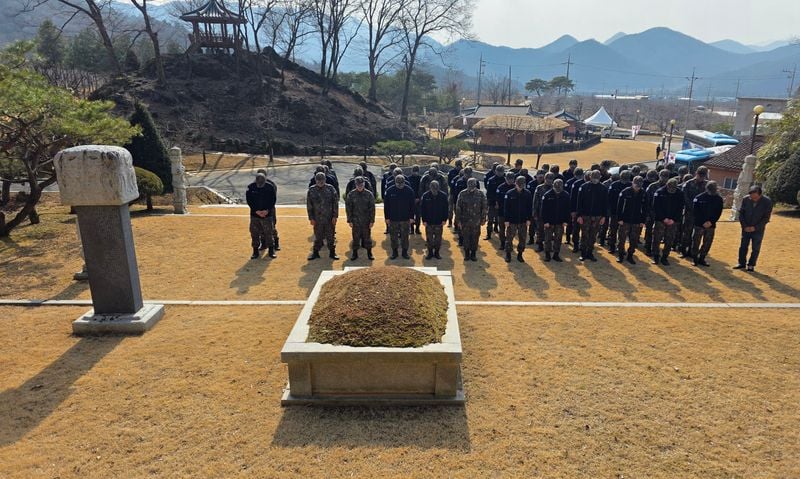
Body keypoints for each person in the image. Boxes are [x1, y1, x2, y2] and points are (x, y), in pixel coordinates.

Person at [735, 185, 773, 272]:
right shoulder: (746, 199)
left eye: (755, 198)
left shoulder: (767, 202)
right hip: (746, 228)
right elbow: (741, 214)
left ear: (760, 195)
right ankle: (741, 263)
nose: (753, 199)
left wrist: (755, 228)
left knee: (755, 248)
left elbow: (766, 218)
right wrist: (744, 226)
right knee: (743, 246)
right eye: (751, 197)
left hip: (758, 229)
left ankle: (751, 264)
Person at [576, 170, 608, 262]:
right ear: (590, 177)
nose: (595, 180)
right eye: (593, 178)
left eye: (597, 178)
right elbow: (579, 202)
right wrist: (579, 215)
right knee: (584, 235)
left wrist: (603, 216)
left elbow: (605, 204)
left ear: (600, 178)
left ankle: (590, 253)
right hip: (585, 216)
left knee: (593, 236)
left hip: (597, 216)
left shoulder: (603, 188)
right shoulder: (583, 187)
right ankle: (583, 253)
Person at [306, 172, 339, 260]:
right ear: (316, 181)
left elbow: (335, 203)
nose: (320, 182)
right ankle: (315, 253)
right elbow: (309, 205)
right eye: (319, 181)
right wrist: (311, 218)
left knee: (330, 236)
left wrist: (335, 216)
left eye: (322, 180)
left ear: (325, 180)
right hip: (317, 218)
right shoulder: (311, 190)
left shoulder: (331, 189)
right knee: (318, 236)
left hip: (329, 218)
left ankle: (332, 253)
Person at [651, 178, 683, 265]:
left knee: (669, 239)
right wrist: (663, 218)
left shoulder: (680, 193)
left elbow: (680, 208)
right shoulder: (659, 192)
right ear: (667, 185)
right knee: (657, 239)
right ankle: (656, 256)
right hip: (660, 220)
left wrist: (673, 219)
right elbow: (656, 207)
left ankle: (665, 257)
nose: (671, 191)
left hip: (673, 221)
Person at [691, 181, 723, 267]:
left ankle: (702, 258)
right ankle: (694, 258)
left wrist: (711, 222)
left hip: (711, 225)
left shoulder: (719, 199)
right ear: (707, 189)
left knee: (707, 242)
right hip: (699, 224)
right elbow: (695, 212)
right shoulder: (699, 198)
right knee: (696, 242)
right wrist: (702, 222)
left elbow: (718, 212)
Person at [245, 172, 277, 260]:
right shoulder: (251, 188)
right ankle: (255, 251)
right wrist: (256, 211)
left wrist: (267, 210)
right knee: (254, 233)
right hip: (255, 215)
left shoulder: (270, 187)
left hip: (267, 214)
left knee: (269, 232)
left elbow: (273, 200)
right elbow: (249, 201)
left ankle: (271, 250)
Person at [384, 174, 416, 259]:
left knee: (405, 236)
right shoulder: (390, 191)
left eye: (401, 184)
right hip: (393, 218)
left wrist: (412, 217)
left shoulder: (409, 191)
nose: (400, 186)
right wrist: (387, 217)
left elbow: (412, 205)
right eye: (398, 184)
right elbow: (386, 206)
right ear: (395, 183)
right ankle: (395, 252)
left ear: (404, 182)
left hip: (405, 218)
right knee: (393, 236)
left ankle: (404, 252)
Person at [616, 176, 647, 264]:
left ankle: (630, 255)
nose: (637, 187)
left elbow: (645, 208)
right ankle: (620, 254)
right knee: (622, 239)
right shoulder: (625, 192)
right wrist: (619, 219)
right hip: (625, 220)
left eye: (639, 186)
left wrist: (642, 221)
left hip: (636, 221)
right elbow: (619, 206)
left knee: (634, 240)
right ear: (632, 183)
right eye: (636, 185)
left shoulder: (643, 193)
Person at [679, 166, 709, 258]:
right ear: (696, 173)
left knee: (697, 234)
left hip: (701, 214)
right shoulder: (688, 184)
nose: (701, 178)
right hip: (689, 212)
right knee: (687, 233)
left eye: (703, 176)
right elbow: (684, 198)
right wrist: (693, 208)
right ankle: (684, 251)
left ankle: (693, 252)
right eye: (700, 175)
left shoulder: (707, 185)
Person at [502, 176, 533, 263]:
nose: (520, 187)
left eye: (522, 185)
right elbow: (506, 208)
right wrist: (506, 220)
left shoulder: (527, 194)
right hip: (512, 220)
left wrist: (529, 219)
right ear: (515, 183)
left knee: (522, 238)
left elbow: (529, 207)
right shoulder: (509, 193)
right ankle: (508, 254)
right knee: (509, 238)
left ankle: (520, 254)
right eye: (519, 185)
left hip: (523, 220)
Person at [456, 178, 487, 261]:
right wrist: (458, 220)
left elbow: (484, 207)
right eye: (470, 186)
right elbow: (458, 208)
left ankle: (473, 254)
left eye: (472, 186)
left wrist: (483, 219)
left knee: (475, 237)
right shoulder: (462, 194)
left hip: (476, 221)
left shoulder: (480, 194)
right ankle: (466, 254)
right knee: (465, 237)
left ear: (475, 185)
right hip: (465, 220)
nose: (471, 188)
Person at [540, 178, 571, 262]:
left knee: (558, 239)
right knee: (547, 239)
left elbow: (568, 210)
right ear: (553, 186)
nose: (557, 190)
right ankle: (547, 254)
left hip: (560, 222)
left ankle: (556, 255)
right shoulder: (547, 195)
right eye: (556, 188)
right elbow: (543, 210)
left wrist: (566, 221)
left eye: (559, 189)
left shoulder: (566, 195)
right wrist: (545, 221)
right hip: (549, 222)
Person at [345, 177, 375, 261]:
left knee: (367, 237)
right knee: (355, 237)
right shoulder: (351, 194)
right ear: (355, 185)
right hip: (355, 220)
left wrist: (372, 220)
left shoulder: (369, 194)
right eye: (358, 185)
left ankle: (369, 253)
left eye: (361, 185)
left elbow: (372, 208)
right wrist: (349, 220)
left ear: (364, 184)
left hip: (366, 220)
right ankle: (355, 253)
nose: (360, 186)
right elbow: (348, 208)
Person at [420, 180, 449, 260]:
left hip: (439, 222)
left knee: (438, 239)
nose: (434, 190)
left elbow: (446, 209)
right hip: (428, 222)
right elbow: (423, 209)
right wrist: (424, 220)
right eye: (433, 189)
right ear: (430, 188)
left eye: (436, 189)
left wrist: (444, 219)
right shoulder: (425, 196)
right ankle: (430, 253)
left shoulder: (443, 196)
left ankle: (436, 253)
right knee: (429, 239)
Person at [644, 169, 669, 256]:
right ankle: (648, 248)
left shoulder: (668, 187)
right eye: (663, 177)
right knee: (649, 231)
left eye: (666, 177)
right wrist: (647, 214)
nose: (664, 179)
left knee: (659, 233)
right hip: (651, 214)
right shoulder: (652, 186)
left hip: (662, 215)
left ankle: (655, 249)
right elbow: (646, 201)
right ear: (659, 176)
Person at [606, 170, 632, 254]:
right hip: (615, 213)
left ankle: (621, 247)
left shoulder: (630, 185)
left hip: (626, 214)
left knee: (623, 233)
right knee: (613, 230)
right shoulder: (614, 185)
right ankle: (612, 246)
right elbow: (609, 199)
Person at [254, 168, 280, 251]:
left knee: (271, 227)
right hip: (258, 210)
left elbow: (272, 198)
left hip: (269, 209)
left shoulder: (271, 184)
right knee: (260, 227)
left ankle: (275, 243)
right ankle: (263, 243)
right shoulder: (253, 185)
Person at [533, 172, 555, 252]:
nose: (549, 181)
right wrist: (535, 213)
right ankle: (540, 245)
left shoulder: (554, 188)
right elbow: (535, 201)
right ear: (545, 179)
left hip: (551, 213)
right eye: (547, 179)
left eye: (551, 179)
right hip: (540, 213)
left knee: (550, 231)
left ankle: (548, 246)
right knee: (540, 230)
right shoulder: (539, 188)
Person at [495, 172, 517, 250]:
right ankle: (502, 243)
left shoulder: (515, 188)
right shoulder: (500, 187)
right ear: (505, 178)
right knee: (502, 229)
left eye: (512, 179)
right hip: (501, 212)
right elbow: (497, 200)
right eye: (508, 179)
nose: (510, 181)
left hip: (512, 213)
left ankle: (509, 243)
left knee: (511, 231)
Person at [569, 169, 589, 253]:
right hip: (577, 211)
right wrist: (573, 211)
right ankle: (576, 245)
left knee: (586, 231)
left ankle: (584, 246)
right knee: (575, 229)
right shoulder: (576, 184)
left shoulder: (592, 185)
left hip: (587, 212)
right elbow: (572, 198)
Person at [485, 165, 505, 240]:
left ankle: (498, 230)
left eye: (501, 172)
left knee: (499, 220)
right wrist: (493, 202)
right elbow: (489, 193)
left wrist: (499, 203)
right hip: (492, 203)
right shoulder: (491, 180)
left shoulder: (504, 180)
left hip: (501, 204)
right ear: (495, 171)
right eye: (498, 171)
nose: (500, 173)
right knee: (490, 219)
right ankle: (488, 234)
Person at [446, 159, 463, 227]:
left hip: (460, 194)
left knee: (458, 209)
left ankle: (457, 223)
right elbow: (449, 182)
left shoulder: (463, 172)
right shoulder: (451, 172)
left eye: (460, 165)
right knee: (450, 208)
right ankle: (450, 221)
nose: (459, 167)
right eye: (457, 165)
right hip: (452, 193)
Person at [408, 165, 423, 234]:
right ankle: (411, 229)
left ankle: (417, 229)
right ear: (412, 171)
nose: (415, 173)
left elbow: (422, 189)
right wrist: (412, 199)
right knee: (411, 215)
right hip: (410, 200)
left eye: (416, 171)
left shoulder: (421, 179)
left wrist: (419, 198)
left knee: (418, 215)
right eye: (414, 171)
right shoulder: (408, 179)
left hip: (418, 200)